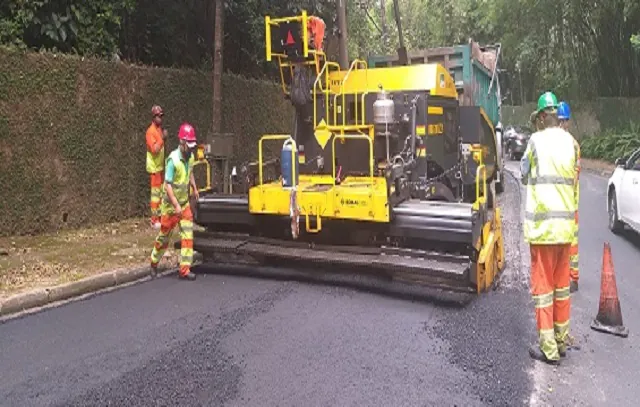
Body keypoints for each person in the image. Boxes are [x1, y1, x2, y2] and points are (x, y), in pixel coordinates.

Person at [520, 91, 580, 365]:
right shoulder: (571, 143)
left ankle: (548, 349)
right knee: (561, 288)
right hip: (565, 229)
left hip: (544, 230)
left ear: (543, 116)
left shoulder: (535, 141)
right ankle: (561, 340)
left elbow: (523, 173)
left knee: (543, 291)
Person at [150, 123, 200, 281]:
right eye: (189, 145)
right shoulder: (173, 160)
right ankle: (153, 262)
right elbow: (168, 186)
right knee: (164, 238)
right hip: (171, 207)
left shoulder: (190, 157)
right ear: (182, 142)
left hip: (184, 204)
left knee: (187, 236)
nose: (192, 149)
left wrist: (194, 187)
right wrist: (176, 206)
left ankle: (184, 270)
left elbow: (190, 172)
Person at [558, 101, 580, 293]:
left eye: (564, 121)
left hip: (568, 203)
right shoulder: (569, 143)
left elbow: (573, 177)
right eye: (560, 121)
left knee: (570, 242)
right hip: (565, 202)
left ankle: (572, 277)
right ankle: (566, 275)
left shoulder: (570, 144)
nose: (562, 125)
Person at [146, 105, 168, 229]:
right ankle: (154, 221)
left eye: (161, 116)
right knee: (155, 196)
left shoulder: (158, 130)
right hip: (154, 169)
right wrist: (162, 139)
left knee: (159, 195)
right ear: (153, 117)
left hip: (159, 168)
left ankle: (159, 218)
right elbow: (154, 150)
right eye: (158, 116)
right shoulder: (150, 132)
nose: (161, 118)